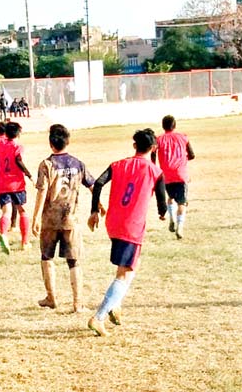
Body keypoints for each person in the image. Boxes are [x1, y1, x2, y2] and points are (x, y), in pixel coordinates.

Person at [86, 129, 167, 337]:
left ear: (134, 146)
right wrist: (162, 213)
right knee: (125, 272)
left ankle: (116, 305)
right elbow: (161, 199)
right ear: (153, 148)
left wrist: (94, 210)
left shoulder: (118, 165)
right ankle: (99, 316)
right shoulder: (154, 171)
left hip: (114, 222)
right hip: (132, 226)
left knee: (131, 266)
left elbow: (98, 184)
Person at [31, 124, 95, 313]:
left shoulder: (46, 165)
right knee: (74, 261)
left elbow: (42, 192)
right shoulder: (78, 164)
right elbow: (92, 185)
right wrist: (97, 206)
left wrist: (35, 217)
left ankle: (52, 297)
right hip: (71, 221)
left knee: (46, 256)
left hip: (50, 221)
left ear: (51, 143)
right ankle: (78, 303)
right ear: (68, 141)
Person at [0, 121, 33, 254]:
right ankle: (25, 242)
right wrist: (29, 175)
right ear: (18, 133)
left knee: (6, 211)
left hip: (2, 184)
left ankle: (4, 234)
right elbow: (18, 160)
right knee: (22, 210)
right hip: (16, 183)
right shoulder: (18, 147)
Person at [156, 115, 195, 239]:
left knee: (170, 197)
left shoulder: (159, 139)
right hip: (181, 174)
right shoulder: (183, 137)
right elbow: (192, 155)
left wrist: (155, 166)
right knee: (182, 203)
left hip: (166, 174)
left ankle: (172, 219)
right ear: (175, 125)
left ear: (163, 126)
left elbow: (152, 154)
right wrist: (183, 159)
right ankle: (180, 227)